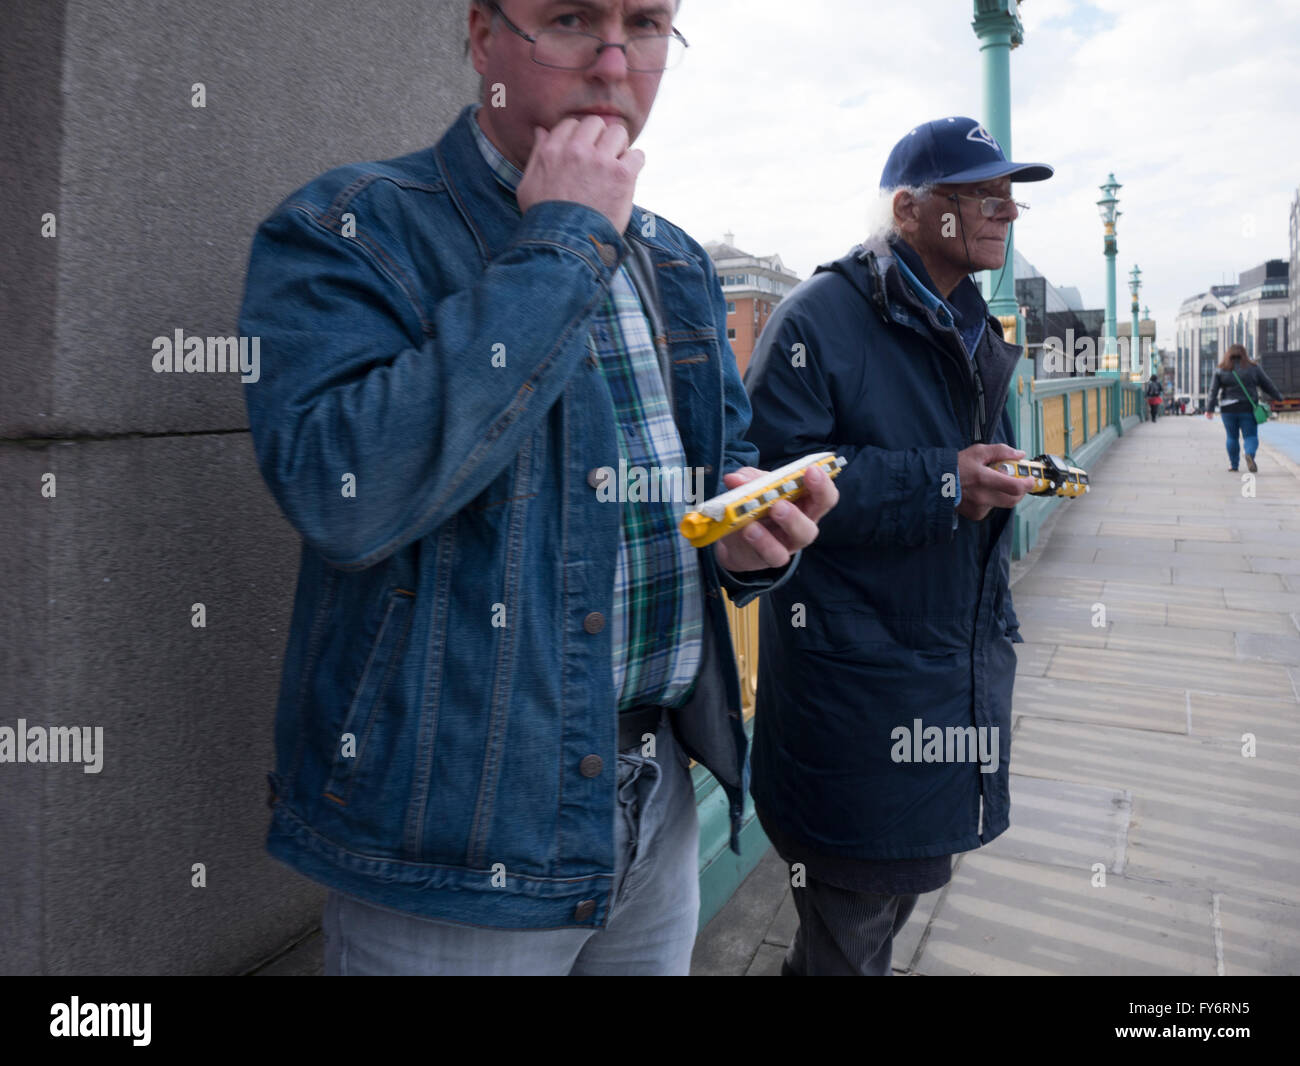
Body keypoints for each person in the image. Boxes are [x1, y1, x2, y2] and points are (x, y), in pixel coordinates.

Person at [237, 0, 837, 976]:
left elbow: (710, 482)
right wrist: (563, 239)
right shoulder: (348, 225)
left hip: (661, 798)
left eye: (644, 25)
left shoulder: (677, 260)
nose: (612, 63)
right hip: (452, 840)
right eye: (570, 19)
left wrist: (743, 537)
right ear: (483, 37)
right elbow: (342, 493)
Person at [742, 116, 1052, 976]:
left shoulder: (972, 323)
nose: (1008, 212)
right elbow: (769, 482)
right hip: (857, 703)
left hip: (947, 681)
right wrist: (946, 482)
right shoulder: (818, 318)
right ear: (911, 210)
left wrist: (1005, 475)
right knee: (852, 933)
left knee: (880, 916)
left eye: (1010, 195)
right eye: (983, 194)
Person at [1206, 343, 1284, 472]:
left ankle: (1234, 465)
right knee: (1250, 436)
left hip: (1227, 409)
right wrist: (1278, 397)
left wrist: (1209, 409)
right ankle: (1249, 454)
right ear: (1244, 354)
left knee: (1232, 437)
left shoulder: (1221, 369)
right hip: (1247, 408)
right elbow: (1267, 384)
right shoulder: (1253, 368)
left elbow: (1213, 390)